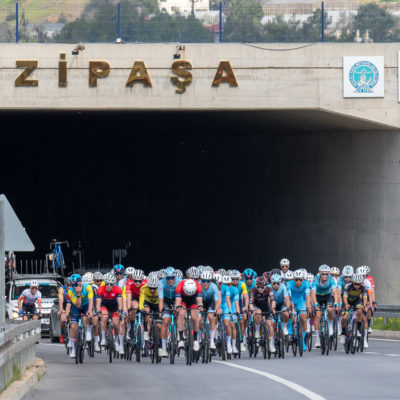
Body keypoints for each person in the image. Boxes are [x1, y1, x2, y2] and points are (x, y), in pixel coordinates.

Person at [65, 274, 94, 358]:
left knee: (86, 318)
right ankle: (73, 349)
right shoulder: (71, 291)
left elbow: (91, 301)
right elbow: (77, 305)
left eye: (76, 285)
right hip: (76, 307)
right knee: (73, 326)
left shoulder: (88, 287)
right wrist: (78, 294)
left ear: (81, 282)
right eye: (73, 285)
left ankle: (87, 331)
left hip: (86, 305)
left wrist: (89, 311)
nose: (75, 287)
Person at [311, 264, 338, 348]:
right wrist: (315, 303)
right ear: (320, 273)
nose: (325, 275)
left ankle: (330, 326)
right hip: (318, 297)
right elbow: (313, 294)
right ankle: (317, 339)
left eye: (327, 274)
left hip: (327, 296)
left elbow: (335, 292)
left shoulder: (331, 279)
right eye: (323, 274)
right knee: (318, 315)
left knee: (330, 309)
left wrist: (336, 302)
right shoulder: (315, 280)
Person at [96, 273, 124, 352]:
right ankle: (103, 338)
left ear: (113, 284)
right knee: (104, 317)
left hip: (114, 306)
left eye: (111, 284)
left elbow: (120, 302)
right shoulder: (100, 289)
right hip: (104, 305)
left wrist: (120, 311)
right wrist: (98, 311)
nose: (108, 286)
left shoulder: (117, 289)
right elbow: (98, 303)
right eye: (107, 284)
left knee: (116, 324)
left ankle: (116, 341)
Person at [158, 267, 182, 357]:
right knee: (166, 321)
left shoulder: (179, 282)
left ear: (175, 277)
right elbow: (160, 299)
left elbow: (181, 296)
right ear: (165, 278)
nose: (170, 280)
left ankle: (179, 331)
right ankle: (163, 347)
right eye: (168, 278)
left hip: (176, 299)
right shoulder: (161, 282)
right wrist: (161, 311)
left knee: (180, 314)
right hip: (165, 301)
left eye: (172, 278)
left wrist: (178, 306)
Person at [175, 278, 203, 354]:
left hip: (193, 299)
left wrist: (200, 306)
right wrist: (178, 307)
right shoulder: (179, 286)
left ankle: (195, 339)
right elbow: (178, 302)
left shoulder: (198, 286)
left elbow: (199, 301)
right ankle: (181, 339)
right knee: (181, 313)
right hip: (183, 299)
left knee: (195, 316)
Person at [249, 276, 276, 353]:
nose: (260, 289)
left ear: (265, 286)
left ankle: (271, 343)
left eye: (262, 287)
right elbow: (251, 303)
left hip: (265, 306)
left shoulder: (269, 290)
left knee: (269, 324)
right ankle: (257, 330)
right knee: (258, 312)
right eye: (258, 287)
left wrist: (273, 308)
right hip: (257, 305)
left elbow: (273, 300)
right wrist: (253, 309)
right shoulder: (254, 291)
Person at [286, 270, 311, 351]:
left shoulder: (306, 284)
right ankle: (290, 330)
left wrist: (308, 305)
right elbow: (288, 296)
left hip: (300, 301)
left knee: (303, 319)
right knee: (291, 315)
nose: (298, 281)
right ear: (293, 279)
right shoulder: (289, 284)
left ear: (303, 279)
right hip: (292, 300)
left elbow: (308, 296)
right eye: (296, 279)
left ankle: (302, 340)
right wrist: (291, 304)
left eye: (300, 280)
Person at [342, 273, 369, 348]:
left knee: (360, 310)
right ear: (353, 282)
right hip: (347, 301)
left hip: (356, 301)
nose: (357, 286)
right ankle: (343, 333)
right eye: (355, 284)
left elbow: (365, 298)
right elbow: (344, 297)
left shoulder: (363, 287)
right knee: (344, 317)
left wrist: (364, 306)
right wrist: (346, 304)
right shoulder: (348, 286)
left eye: (359, 284)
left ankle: (358, 330)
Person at [199, 270, 220, 350]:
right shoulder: (199, 286)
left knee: (211, 317)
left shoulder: (214, 287)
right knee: (198, 319)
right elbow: (197, 300)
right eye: (203, 281)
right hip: (200, 301)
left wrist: (216, 309)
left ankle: (211, 342)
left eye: (207, 281)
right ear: (201, 280)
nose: (205, 283)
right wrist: (199, 307)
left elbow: (217, 302)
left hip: (210, 302)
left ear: (210, 281)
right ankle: (198, 338)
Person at [57, 277, 70, 344]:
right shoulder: (61, 289)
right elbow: (61, 300)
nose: (69, 287)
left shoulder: (74, 289)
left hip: (72, 306)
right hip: (64, 306)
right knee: (62, 319)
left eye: (71, 285)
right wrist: (61, 310)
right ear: (65, 285)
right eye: (68, 285)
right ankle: (62, 334)